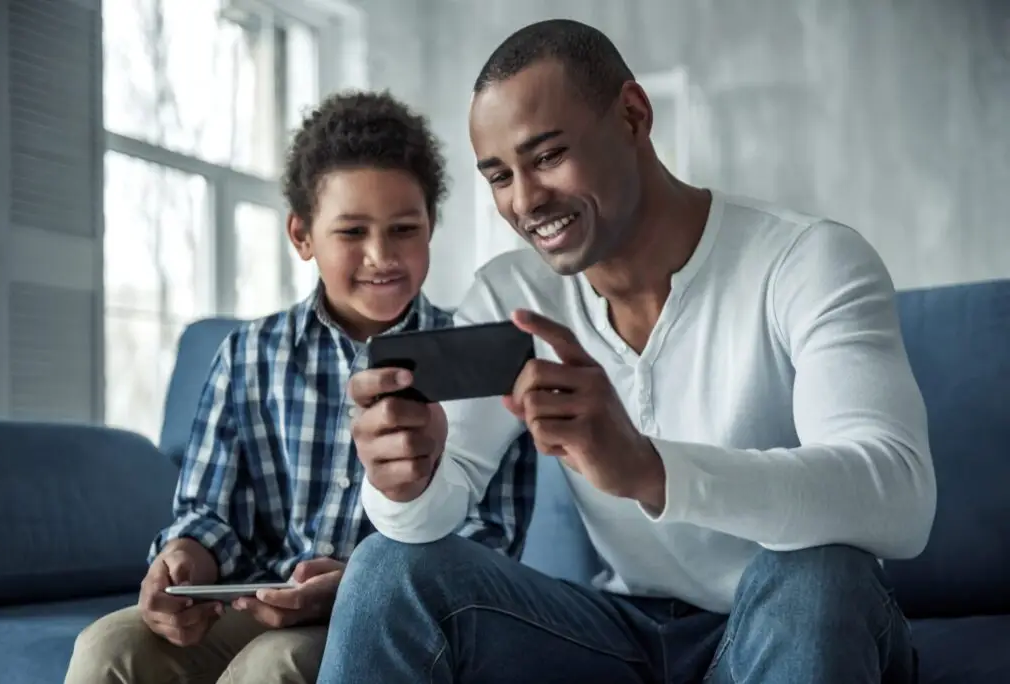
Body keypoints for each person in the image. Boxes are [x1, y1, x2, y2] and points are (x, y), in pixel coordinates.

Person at [315, 18, 937, 684]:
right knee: (388, 568)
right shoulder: (513, 293)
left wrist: (649, 469)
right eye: (500, 176)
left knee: (819, 571)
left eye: (549, 155)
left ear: (633, 116)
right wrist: (402, 481)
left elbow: (897, 495)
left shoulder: (807, 261)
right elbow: (439, 501)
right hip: (624, 636)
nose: (525, 201)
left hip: (787, 622)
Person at [64, 90, 533, 684]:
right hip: (255, 604)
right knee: (108, 646)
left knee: (275, 666)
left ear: (431, 227)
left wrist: (355, 582)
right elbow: (210, 511)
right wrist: (185, 557)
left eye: (404, 229)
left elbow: (489, 542)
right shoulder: (247, 355)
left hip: (387, 616)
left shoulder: (474, 359)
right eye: (352, 231)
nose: (381, 255)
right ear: (302, 234)